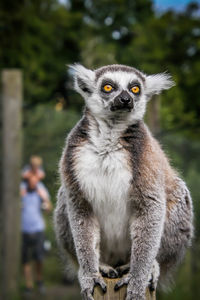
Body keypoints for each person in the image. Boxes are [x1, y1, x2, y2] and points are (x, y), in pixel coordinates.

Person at [20, 175, 52, 295]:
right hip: (24, 230)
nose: (33, 184)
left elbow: (49, 209)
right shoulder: (22, 190)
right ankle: (29, 285)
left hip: (38, 229)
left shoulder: (41, 191)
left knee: (39, 257)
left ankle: (39, 281)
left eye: (35, 182)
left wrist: (44, 198)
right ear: (27, 182)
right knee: (26, 259)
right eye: (31, 181)